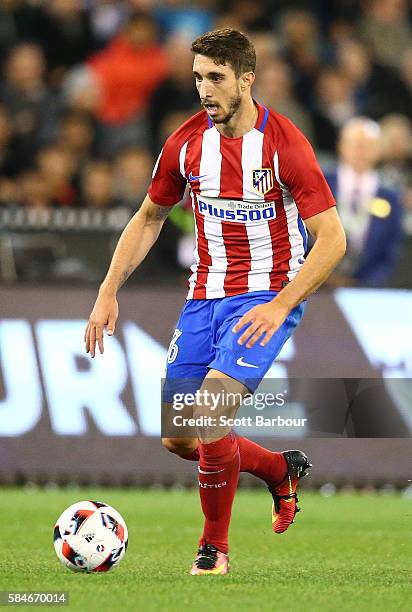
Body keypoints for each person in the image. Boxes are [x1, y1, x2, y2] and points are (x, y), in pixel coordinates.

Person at [85, 29, 346, 575]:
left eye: (216, 77)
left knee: (207, 415)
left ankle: (214, 550)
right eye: (199, 76)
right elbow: (150, 216)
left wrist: (280, 306)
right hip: (204, 295)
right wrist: (108, 290)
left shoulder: (285, 145)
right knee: (180, 436)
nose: (205, 89)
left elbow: (333, 240)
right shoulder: (185, 142)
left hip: (264, 297)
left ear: (246, 79)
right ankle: (279, 470)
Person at [324, 117, 403, 287]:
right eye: (356, 144)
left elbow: (391, 251)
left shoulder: (391, 197)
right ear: (341, 145)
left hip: (366, 292)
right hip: (314, 288)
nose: (361, 151)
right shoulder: (319, 184)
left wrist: (365, 284)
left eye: (368, 146)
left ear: (379, 150)